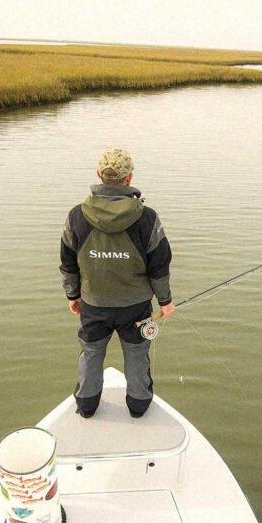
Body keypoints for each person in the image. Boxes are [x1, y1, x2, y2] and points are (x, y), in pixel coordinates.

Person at [59, 148, 175, 418]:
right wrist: (165, 301)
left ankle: (86, 407)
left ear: (99, 175)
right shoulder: (147, 217)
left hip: (93, 306)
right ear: (129, 178)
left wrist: (72, 295)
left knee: (91, 354)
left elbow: (67, 261)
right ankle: (138, 407)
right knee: (137, 355)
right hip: (136, 308)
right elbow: (160, 264)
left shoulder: (77, 215)